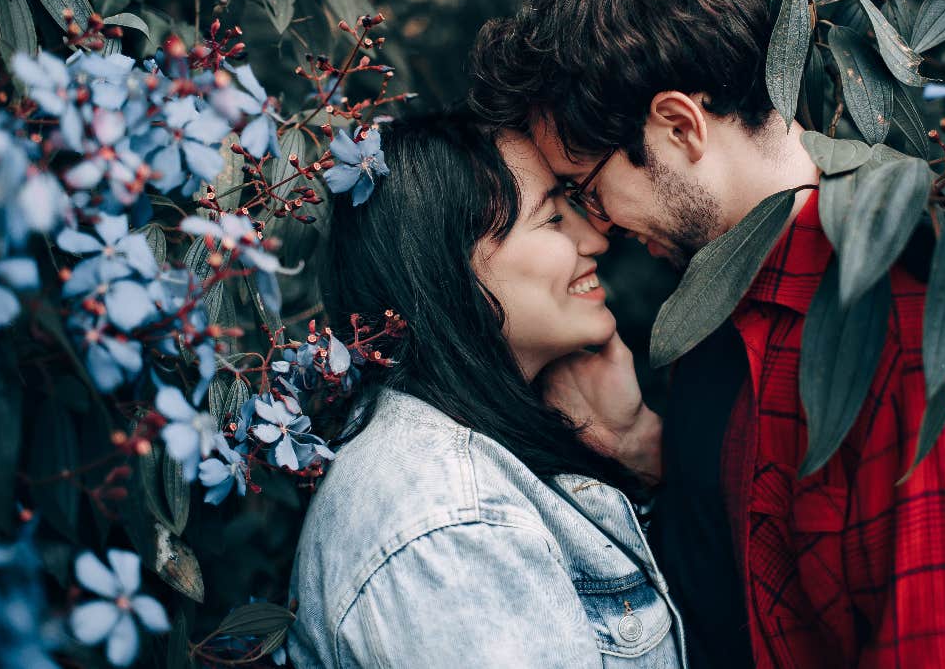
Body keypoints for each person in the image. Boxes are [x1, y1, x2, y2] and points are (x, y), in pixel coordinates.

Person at [470, 0, 945, 669]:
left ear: (678, 125)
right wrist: (643, 446)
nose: (596, 227)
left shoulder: (906, 339)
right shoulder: (713, 307)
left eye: (587, 188)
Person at [286, 114, 685, 668]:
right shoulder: (449, 526)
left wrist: (631, 444)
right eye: (551, 219)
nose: (596, 237)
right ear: (449, 266)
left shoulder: (478, 459)